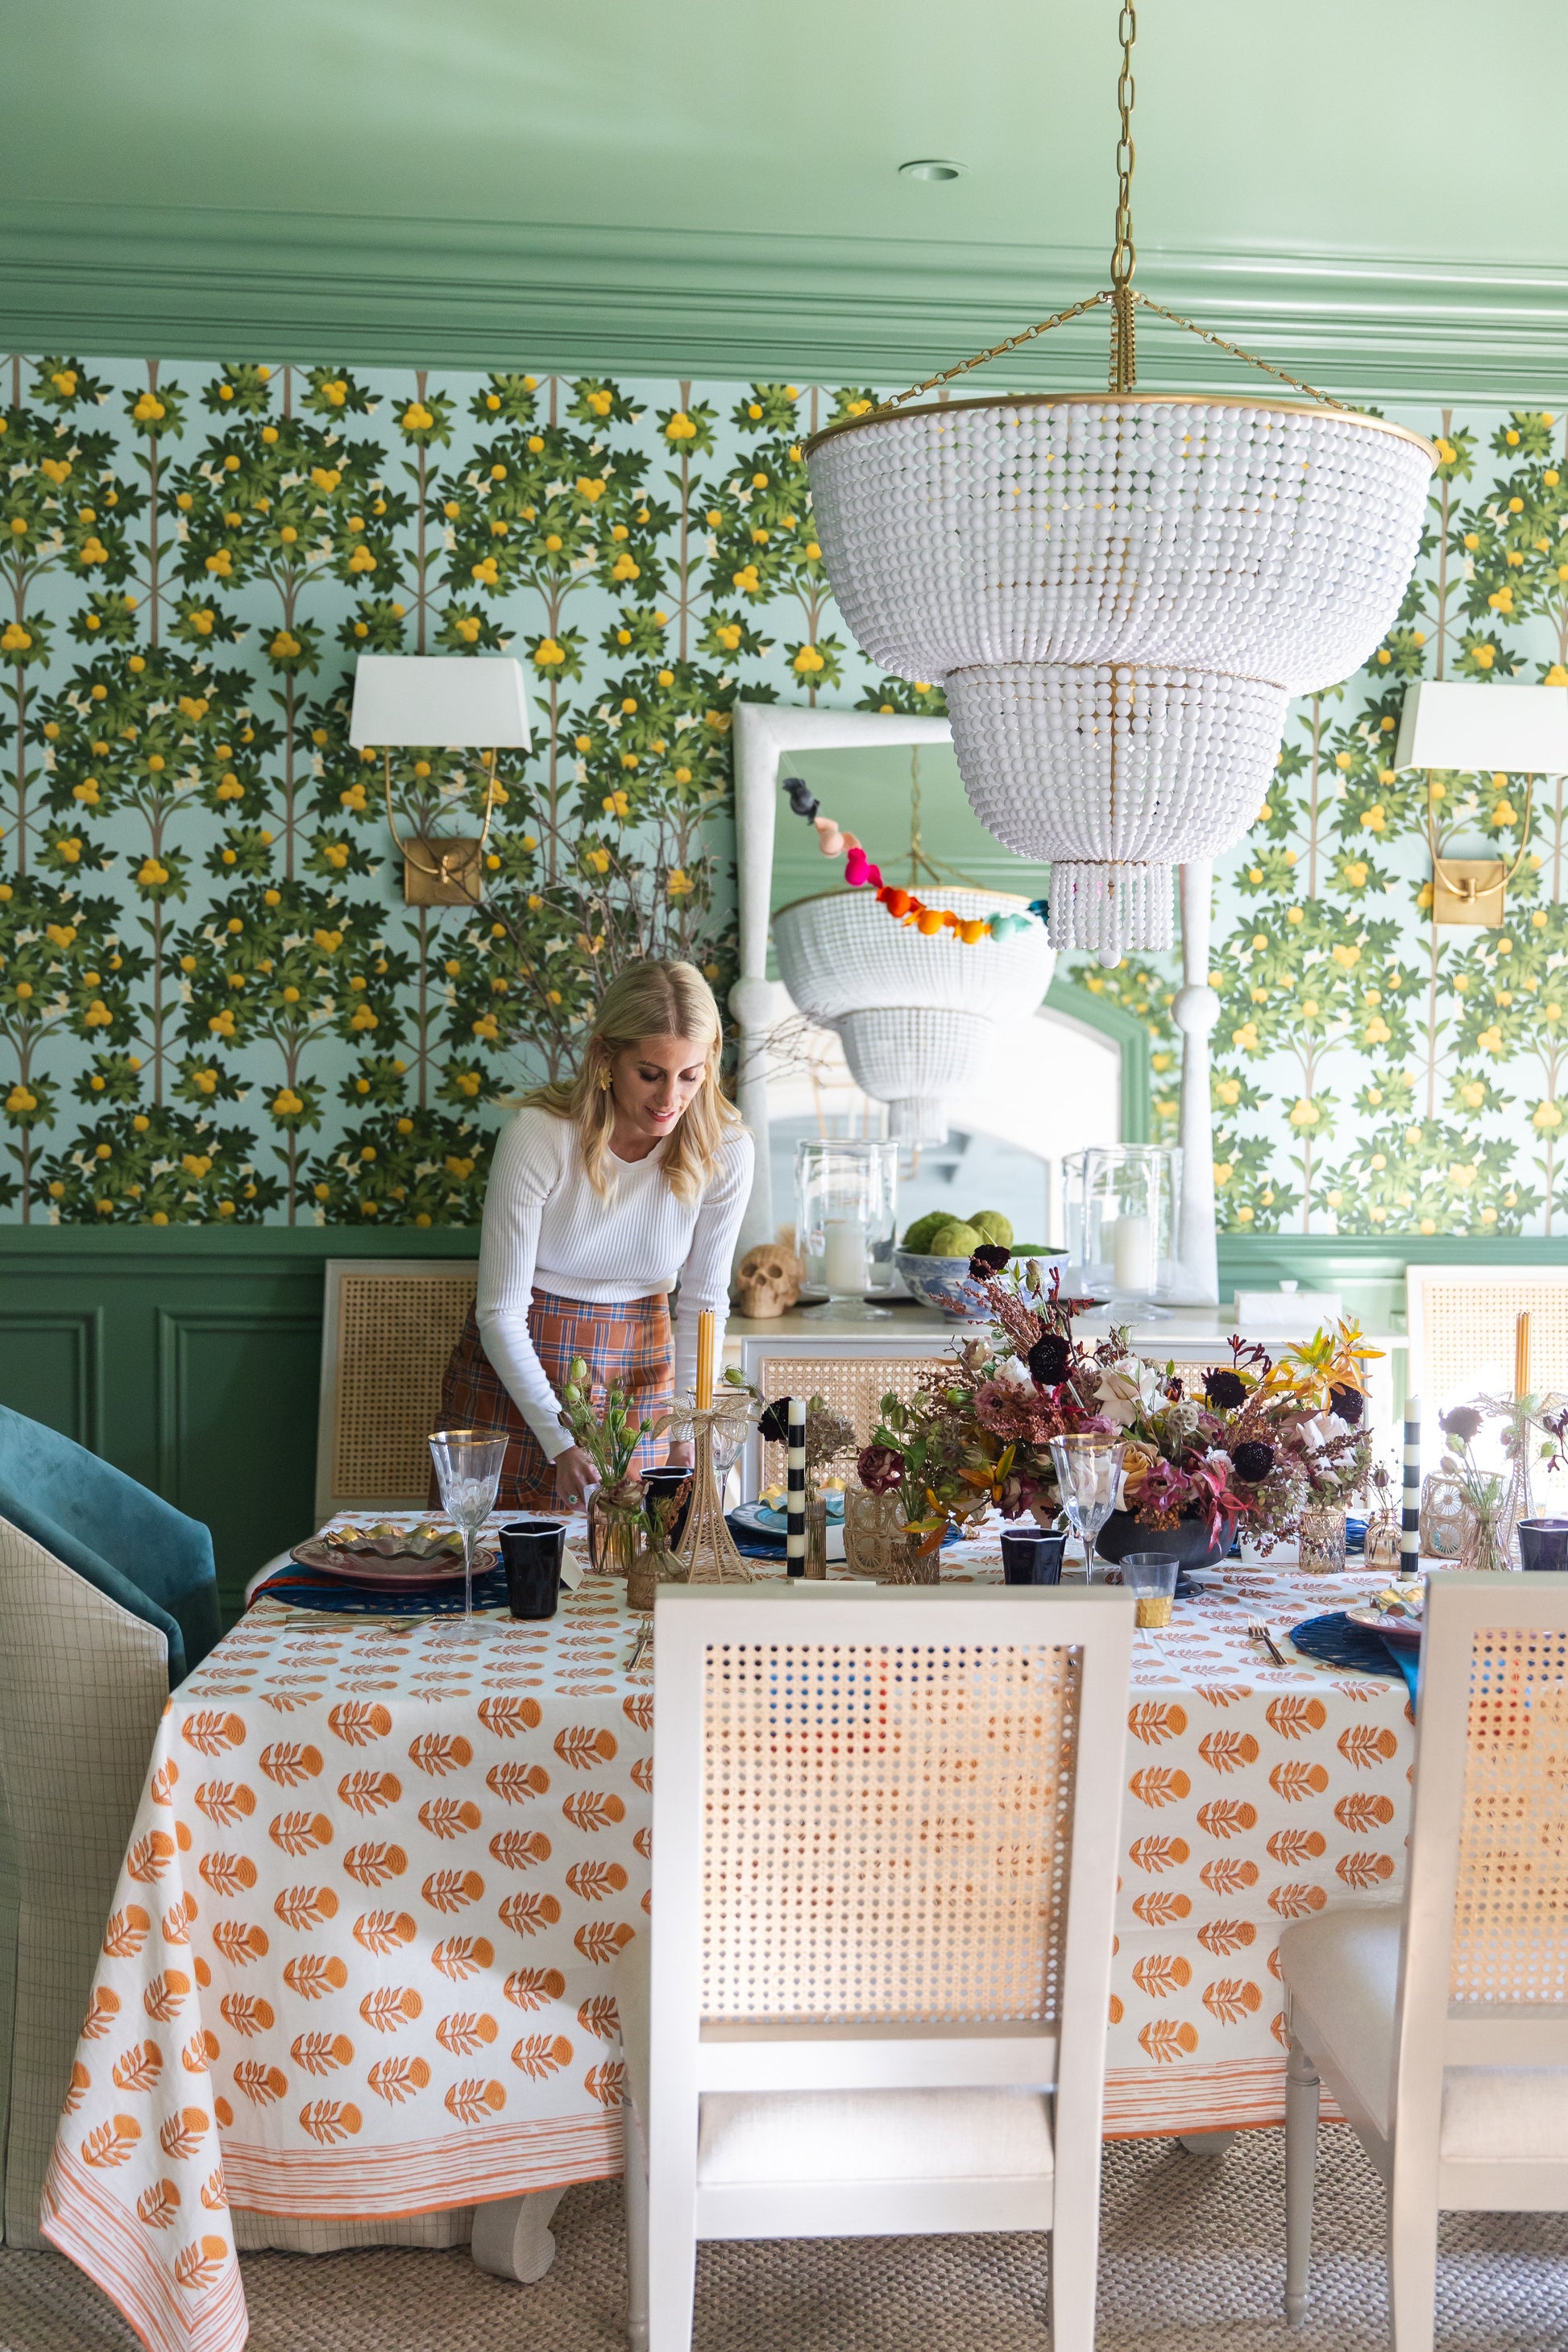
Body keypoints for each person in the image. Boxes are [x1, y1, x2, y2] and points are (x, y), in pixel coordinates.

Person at [440, 958, 753, 1512]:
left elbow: (703, 1306)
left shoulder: (726, 1151)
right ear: (606, 1057)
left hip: (640, 1365)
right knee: (490, 1572)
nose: (669, 1100)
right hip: (517, 1371)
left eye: (690, 1075)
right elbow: (500, 1312)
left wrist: (689, 1426)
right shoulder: (539, 1135)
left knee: (632, 1569)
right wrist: (559, 1439)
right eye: (650, 1074)